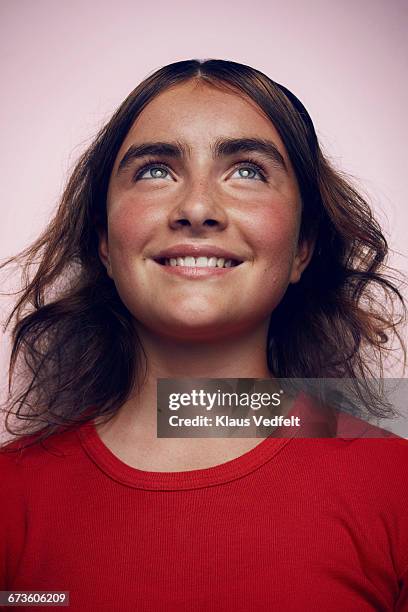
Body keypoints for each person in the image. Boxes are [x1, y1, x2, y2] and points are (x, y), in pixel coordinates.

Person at [0, 59, 407, 611]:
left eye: (247, 170)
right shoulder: (11, 497)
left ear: (302, 249)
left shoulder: (395, 487)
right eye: (154, 170)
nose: (196, 208)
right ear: (104, 244)